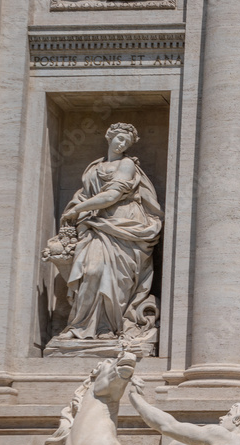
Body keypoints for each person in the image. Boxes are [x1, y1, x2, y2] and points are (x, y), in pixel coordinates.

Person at [47, 122, 163, 343]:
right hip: (95, 224)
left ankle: (108, 328)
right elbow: (86, 194)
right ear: (109, 137)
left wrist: (77, 209)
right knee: (91, 270)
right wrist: (79, 208)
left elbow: (111, 197)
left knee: (115, 277)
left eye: (127, 142)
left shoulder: (128, 164)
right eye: (119, 138)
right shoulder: (93, 167)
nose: (122, 144)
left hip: (124, 226)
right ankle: (81, 326)